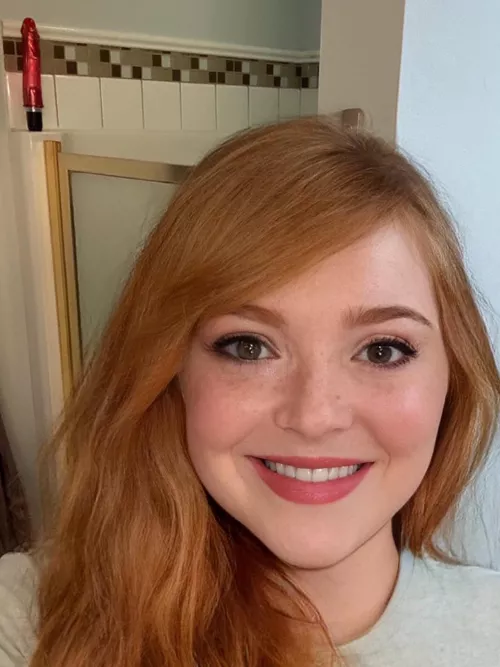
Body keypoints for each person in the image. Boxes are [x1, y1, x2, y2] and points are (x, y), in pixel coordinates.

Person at [1, 117, 499, 667]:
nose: (314, 416)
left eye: (382, 350)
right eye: (248, 346)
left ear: (453, 377)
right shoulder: (27, 617)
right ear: (169, 373)